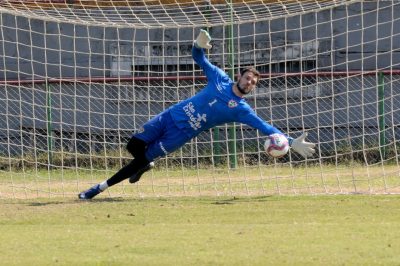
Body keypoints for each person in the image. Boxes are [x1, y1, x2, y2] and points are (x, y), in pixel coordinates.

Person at [78, 30, 316, 200]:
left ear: (253, 87)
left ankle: (98, 189)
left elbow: (264, 126)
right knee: (133, 146)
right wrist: (198, 44)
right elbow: (198, 57)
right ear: (240, 76)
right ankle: (143, 165)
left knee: (139, 159)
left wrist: (289, 141)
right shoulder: (220, 79)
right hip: (169, 116)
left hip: (180, 135)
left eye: (253, 82)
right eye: (247, 77)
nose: (249, 82)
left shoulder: (242, 110)